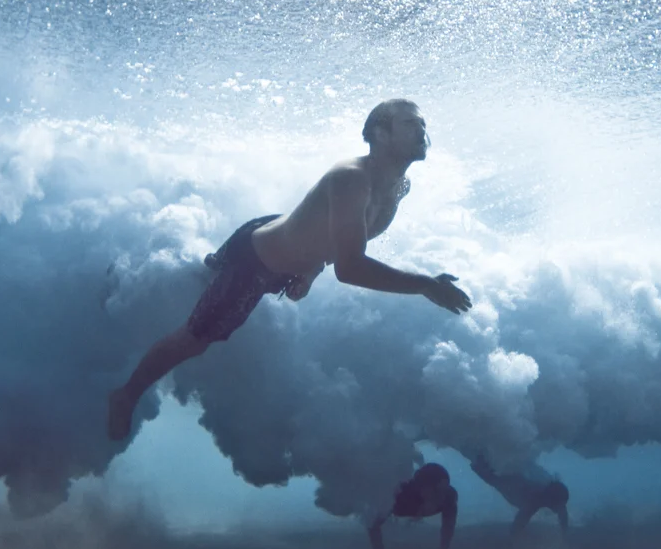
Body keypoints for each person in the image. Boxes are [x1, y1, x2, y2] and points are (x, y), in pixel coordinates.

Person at [107, 99, 473, 440]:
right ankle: (125, 394)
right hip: (254, 261)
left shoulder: (399, 186)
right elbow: (351, 268)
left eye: (424, 124)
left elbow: (339, 238)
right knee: (196, 339)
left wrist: (312, 269)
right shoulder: (351, 179)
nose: (423, 131)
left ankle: (186, 275)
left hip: (285, 237)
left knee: (201, 297)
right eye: (411, 123)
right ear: (379, 133)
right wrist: (425, 285)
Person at [368, 463, 458, 549]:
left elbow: (448, 524)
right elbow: (372, 525)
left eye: (444, 490)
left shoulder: (449, 497)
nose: (441, 497)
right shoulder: (399, 496)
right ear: (422, 488)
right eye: (437, 491)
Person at [470, 455, 569, 534]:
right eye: (557, 505)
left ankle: (480, 460)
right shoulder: (536, 498)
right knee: (488, 473)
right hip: (505, 477)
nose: (559, 509)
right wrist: (513, 536)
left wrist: (565, 531)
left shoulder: (547, 487)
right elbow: (521, 519)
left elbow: (562, 510)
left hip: (511, 474)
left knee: (489, 473)